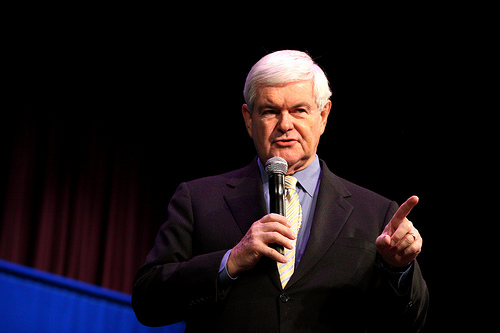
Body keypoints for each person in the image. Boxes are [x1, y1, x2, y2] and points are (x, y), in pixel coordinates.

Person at [132, 50, 429, 332]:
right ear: (249, 120)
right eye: (270, 111)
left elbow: (410, 324)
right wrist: (230, 262)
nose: (285, 125)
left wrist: (398, 269)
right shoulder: (198, 199)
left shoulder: (377, 213)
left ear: (323, 115)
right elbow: (148, 302)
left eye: (299, 110)